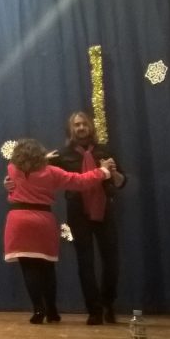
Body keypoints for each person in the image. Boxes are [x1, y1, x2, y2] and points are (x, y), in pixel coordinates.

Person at [4, 138, 113, 324]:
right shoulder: (51, 172)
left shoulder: (12, 169)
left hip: (18, 220)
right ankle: (52, 311)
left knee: (28, 268)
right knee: (47, 268)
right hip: (43, 220)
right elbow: (80, 181)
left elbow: (14, 181)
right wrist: (103, 171)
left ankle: (38, 310)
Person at [49, 112, 127, 325]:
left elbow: (121, 182)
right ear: (71, 129)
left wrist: (113, 172)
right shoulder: (62, 155)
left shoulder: (105, 151)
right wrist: (11, 180)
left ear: (90, 127)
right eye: (77, 125)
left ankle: (108, 304)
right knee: (85, 262)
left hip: (105, 211)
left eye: (84, 124)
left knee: (111, 261)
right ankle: (94, 310)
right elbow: (40, 173)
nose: (81, 128)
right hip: (78, 213)